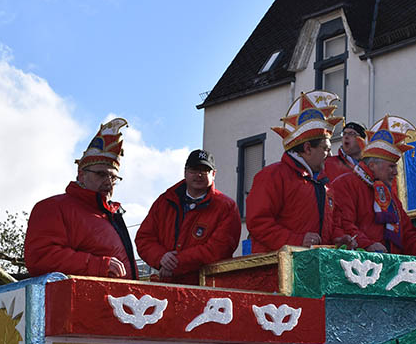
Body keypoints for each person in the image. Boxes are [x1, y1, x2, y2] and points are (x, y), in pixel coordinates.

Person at [24, 118, 137, 278]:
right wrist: (98, 265)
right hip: (84, 300)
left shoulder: (112, 215)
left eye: (114, 178)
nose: (108, 182)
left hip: (119, 300)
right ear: (81, 175)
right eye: (101, 174)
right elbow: (40, 257)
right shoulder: (53, 207)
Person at [246, 90, 353, 253]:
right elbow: (258, 223)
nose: (330, 155)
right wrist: (297, 240)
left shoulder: (325, 185)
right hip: (277, 271)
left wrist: (338, 237)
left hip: (313, 267)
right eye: (325, 149)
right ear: (308, 148)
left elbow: (333, 223)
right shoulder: (272, 176)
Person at [332, 116, 416, 258]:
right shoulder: (345, 184)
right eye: (391, 167)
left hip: (389, 265)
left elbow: (408, 237)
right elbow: (343, 226)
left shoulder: (390, 196)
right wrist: (368, 245)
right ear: (372, 165)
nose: (395, 172)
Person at [135, 150, 242, 284]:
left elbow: (218, 249)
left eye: (204, 171)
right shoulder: (164, 201)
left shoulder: (227, 207)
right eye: (194, 170)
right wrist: (160, 257)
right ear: (185, 172)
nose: (198, 175)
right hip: (165, 284)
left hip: (207, 289)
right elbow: (144, 238)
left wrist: (175, 263)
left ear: (213, 174)